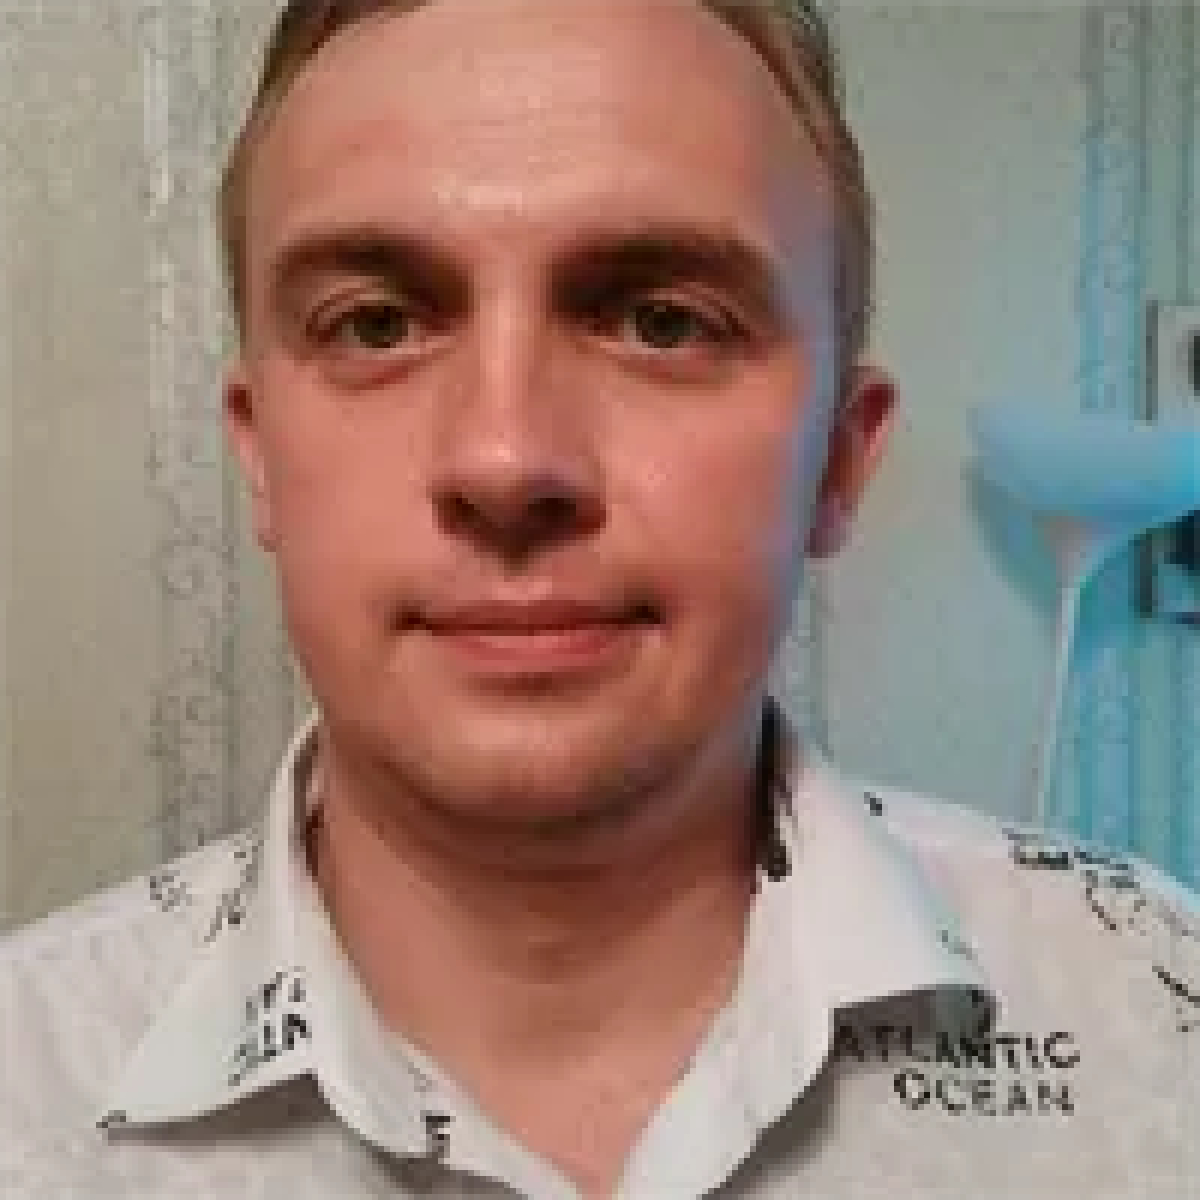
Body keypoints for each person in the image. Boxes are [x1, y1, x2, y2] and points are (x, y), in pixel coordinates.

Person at [2, 1, 1197, 1196]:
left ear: (838, 459)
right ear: (260, 453)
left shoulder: (1154, 1022)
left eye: (661, 322)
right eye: (377, 323)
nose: (506, 460)